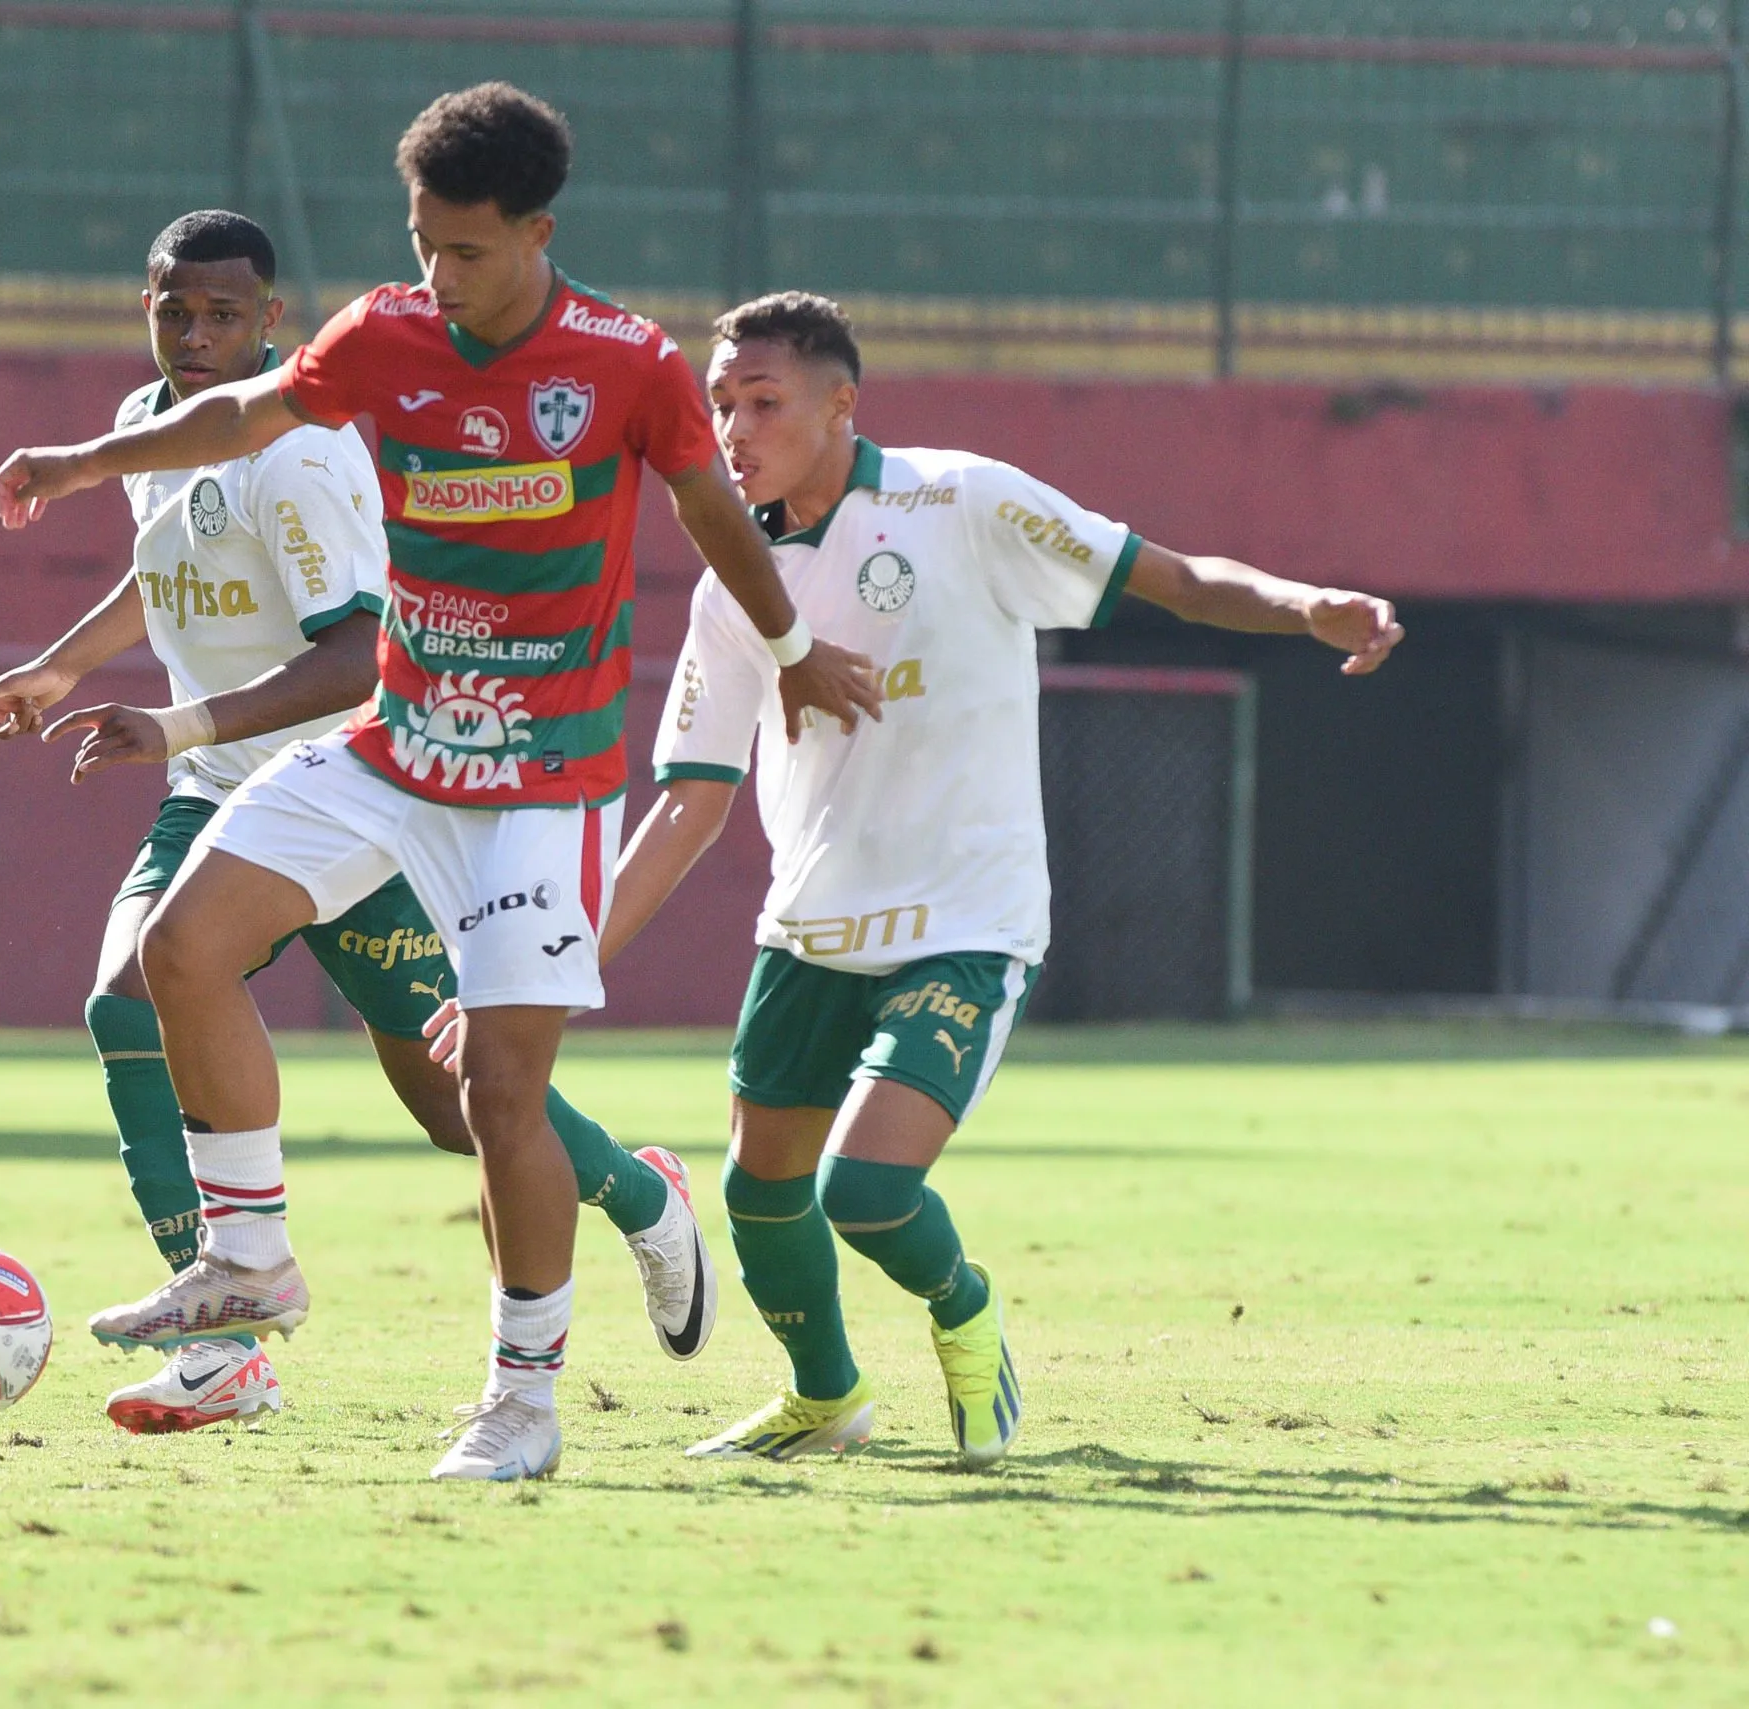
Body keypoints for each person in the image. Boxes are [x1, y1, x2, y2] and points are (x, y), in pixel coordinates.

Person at [0, 86, 883, 1482]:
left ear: (535, 232)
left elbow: (713, 513)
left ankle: (522, 1404)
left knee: (496, 1098)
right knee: (178, 951)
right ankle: (251, 1262)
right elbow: (243, 413)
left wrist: (790, 648)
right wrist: (80, 460)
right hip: (394, 748)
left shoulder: (627, 364)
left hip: (543, 779)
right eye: (421, 244)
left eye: (465, 251)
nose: (436, 276)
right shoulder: (387, 334)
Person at [594, 289, 1403, 1464]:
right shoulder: (735, 582)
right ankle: (828, 1398)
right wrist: (569, 965)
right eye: (720, 405)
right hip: (808, 929)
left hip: (964, 920)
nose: (734, 430)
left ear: (839, 403)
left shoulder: (961, 499)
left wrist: (1302, 605)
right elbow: (689, 798)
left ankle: (966, 1313)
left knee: (862, 1188)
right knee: (757, 1196)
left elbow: (1168, 578)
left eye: (762, 402)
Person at [0, 209, 716, 1438]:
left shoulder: (298, 451)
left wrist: (178, 723)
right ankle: (226, 1344)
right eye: (174, 310)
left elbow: (360, 657)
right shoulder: (156, 432)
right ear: (145, 305)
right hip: (223, 792)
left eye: (223, 315)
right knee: (130, 997)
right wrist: (57, 666)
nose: (195, 334)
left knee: (451, 1099)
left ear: (273, 322)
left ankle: (642, 1194)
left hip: (348, 790)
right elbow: (169, 569)